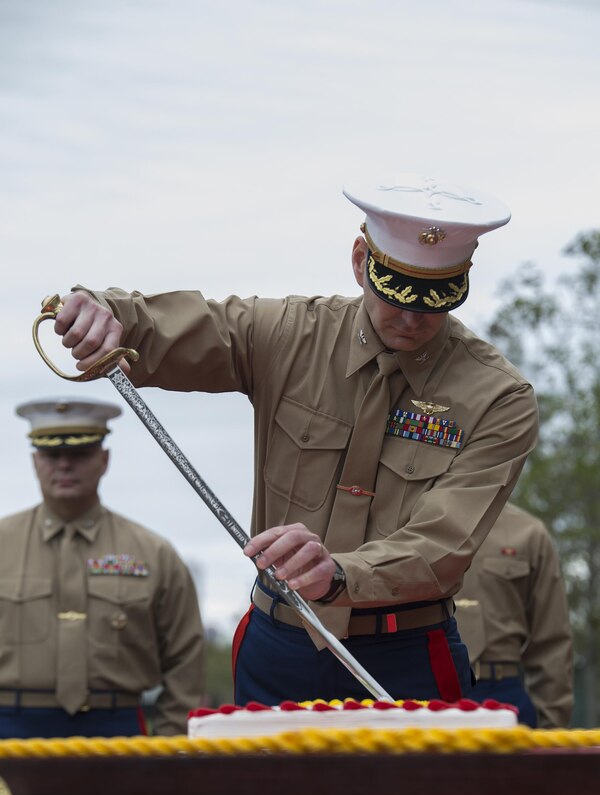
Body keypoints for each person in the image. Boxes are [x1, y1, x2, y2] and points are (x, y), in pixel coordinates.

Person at [50, 172, 538, 706]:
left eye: (434, 299)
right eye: (396, 291)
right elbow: (181, 329)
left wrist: (341, 575)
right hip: (278, 645)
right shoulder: (288, 335)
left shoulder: (499, 397)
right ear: (360, 261)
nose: (410, 317)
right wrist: (104, 312)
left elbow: (445, 542)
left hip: (406, 656)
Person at [0, 397, 205, 738]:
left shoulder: (154, 554)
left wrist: (168, 748)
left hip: (116, 728)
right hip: (8, 726)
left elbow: (186, 660)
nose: (64, 465)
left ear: (104, 459)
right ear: (35, 461)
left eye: (80, 454)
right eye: (52, 455)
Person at [455, 502, 573, 728]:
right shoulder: (409, 523)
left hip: (500, 693)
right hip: (423, 692)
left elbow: (551, 640)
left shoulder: (528, 533)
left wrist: (551, 729)